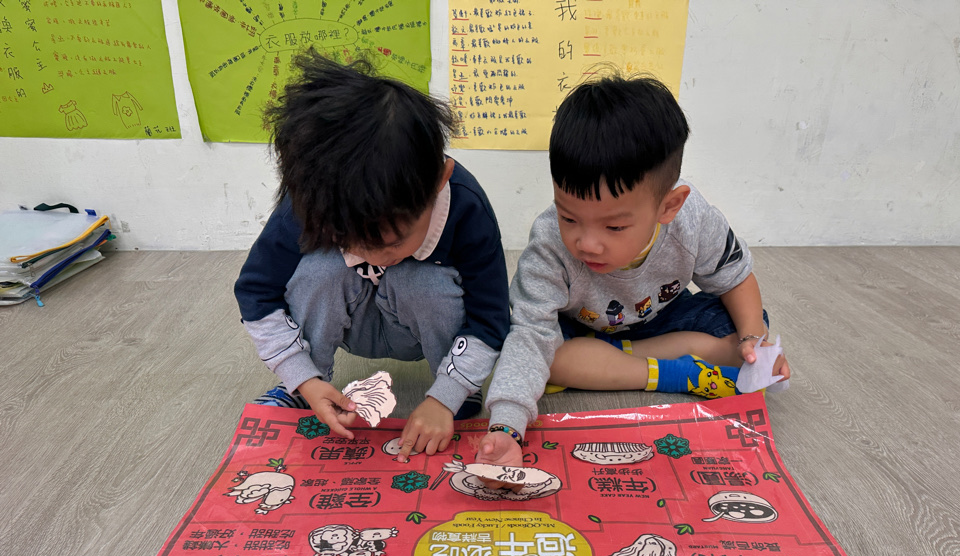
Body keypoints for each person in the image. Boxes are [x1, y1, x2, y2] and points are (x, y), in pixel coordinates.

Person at [477, 73, 789, 469]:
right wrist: (506, 427)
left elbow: (735, 278)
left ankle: (612, 360)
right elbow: (530, 336)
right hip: (579, 327)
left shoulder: (692, 221)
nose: (587, 243)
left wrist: (752, 343)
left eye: (614, 227)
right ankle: (679, 371)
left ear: (669, 207)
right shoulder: (549, 243)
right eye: (569, 217)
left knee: (745, 319)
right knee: (532, 352)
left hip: (660, 319)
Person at [234, 50, 509, 460]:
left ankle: (456, 390)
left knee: (422, 281)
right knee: (320, 270)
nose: (375, 257)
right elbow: (257, 293)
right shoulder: (312, 199)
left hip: (421, 328)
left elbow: (491, 318)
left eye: (393, 242)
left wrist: (446, 396)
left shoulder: (467, 207)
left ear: (439, 181)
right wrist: (303, 377)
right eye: (349, 241)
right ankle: (307, 388)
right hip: (354, 322)